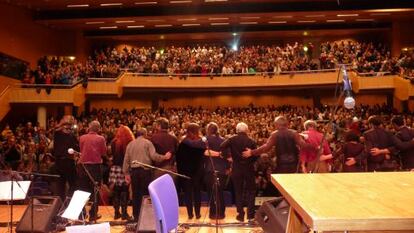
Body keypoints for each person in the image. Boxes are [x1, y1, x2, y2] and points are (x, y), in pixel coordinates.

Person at [122, 128, 171, 221]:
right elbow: (153, 156)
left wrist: (126, 173)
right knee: (145, 194)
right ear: (145, 134)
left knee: (136, 195)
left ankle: (136, 216)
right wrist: (164, 157)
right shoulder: (147, 143)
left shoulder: (130, 144)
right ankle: (146, 217)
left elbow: (126, 160)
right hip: (145, 172)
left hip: (134, 172)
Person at [220, 122, 257, 222]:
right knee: (251, 191)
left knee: (238, 191)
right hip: (249, 168)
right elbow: (256, 155)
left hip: (236, 168)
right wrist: (250, 160)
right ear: (247, 130)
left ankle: (240, 215)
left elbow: (222, 146)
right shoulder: (251, 141)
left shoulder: (232, 139)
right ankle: (250, 216)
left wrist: (228, 157)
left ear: (237, 130)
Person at [78, 120, 107, 222]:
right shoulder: (101, 138)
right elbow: (103, 152)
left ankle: (81, 215)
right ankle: (93, 215)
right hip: (95, 167)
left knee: (82, 191)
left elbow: (81, 150)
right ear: (99, 129)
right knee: (95, 191)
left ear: (89, 128)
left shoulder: (82, 138)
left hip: (82, 167)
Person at [176, 123, 205, 220]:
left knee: (188, 194)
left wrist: (181, 172)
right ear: (196, 131)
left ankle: (190, 214)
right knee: (197, 193)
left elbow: (178, 159)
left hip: (186, 173)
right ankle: (198, 214)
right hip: (197, 172)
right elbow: (202, 159)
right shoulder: (201, 143)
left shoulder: (183, 143)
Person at [203, 122, 229, 220]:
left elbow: (205, 152)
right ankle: (221, 214)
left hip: (210, 169)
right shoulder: (223, 140)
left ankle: (213, 214)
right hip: (222, 169)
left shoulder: (206, 139)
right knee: (220, 192)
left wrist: (218, 154)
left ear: (208, 130)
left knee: (211, 192)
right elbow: (227, 155)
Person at [108, 125, 134, 220]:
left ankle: (116, 213)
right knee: (124, 191)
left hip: (115, 168)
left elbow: (111, 155)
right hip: (125, 168)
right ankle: (124, 213)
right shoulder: (129, 142)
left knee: (116, 191)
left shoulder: (113, 142)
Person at [52, 115, 79, 201]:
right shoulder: (59, 133)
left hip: (61, 162)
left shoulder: (69, 135)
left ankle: (63, 206)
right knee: (73, 184)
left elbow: (76, 148)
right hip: (66, 162)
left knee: (61, 186)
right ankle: (67, 204)